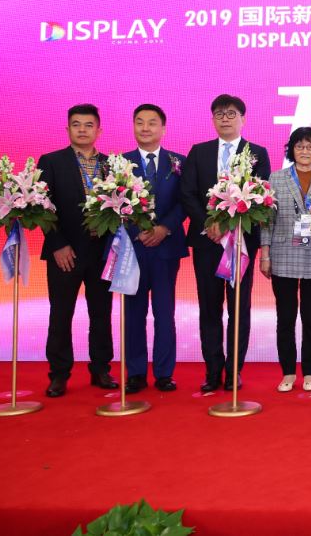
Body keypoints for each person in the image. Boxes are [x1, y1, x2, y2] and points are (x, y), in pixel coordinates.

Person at [180, 94, 271, 393]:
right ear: (213, 119)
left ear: (243, 118)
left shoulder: (257, 153)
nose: (225, 119)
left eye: (231, 113)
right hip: (207, 242)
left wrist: (229, 224)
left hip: (241, 242)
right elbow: (187, 193)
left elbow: (261, 196)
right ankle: (212, 370)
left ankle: (234, 371)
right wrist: (210, 222)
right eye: (219, 113)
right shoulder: (199, 151)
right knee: (209, 308)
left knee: (239, 308)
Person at [39, 104, 115, 398]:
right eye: (76, 124)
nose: (82, 130)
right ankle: (59, 374)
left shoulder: (112, 165)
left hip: (101, 252)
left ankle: (101, 369)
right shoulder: (51, 161)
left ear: (99, 130)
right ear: (68, 129)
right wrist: (57, 244)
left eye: (88, 125)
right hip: (65, 253)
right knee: (61, 314)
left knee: (101, 313)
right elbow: (41, 207)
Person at [123, 104, 188, 395]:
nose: (145, 128)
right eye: (140, 122)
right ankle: (136, 373)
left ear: (163, 128)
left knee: (164, 313)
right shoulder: (119, 164)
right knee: (133, 313)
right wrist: (138, 231)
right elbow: (112, 203)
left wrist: (164, 229)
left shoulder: (179, 162)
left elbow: (185, 201)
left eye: (152, 122)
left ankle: (164, 373)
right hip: (133, 249)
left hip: (166, 248)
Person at [260, 127, 311, 393]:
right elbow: (267, 220)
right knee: (285, 318)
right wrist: (265, 254)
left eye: (310, 146)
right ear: (292, 150)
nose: (305, 151)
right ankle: (288, 371)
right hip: (282, 255)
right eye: (300, 146)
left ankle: (310, 372)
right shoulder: (276, 178)